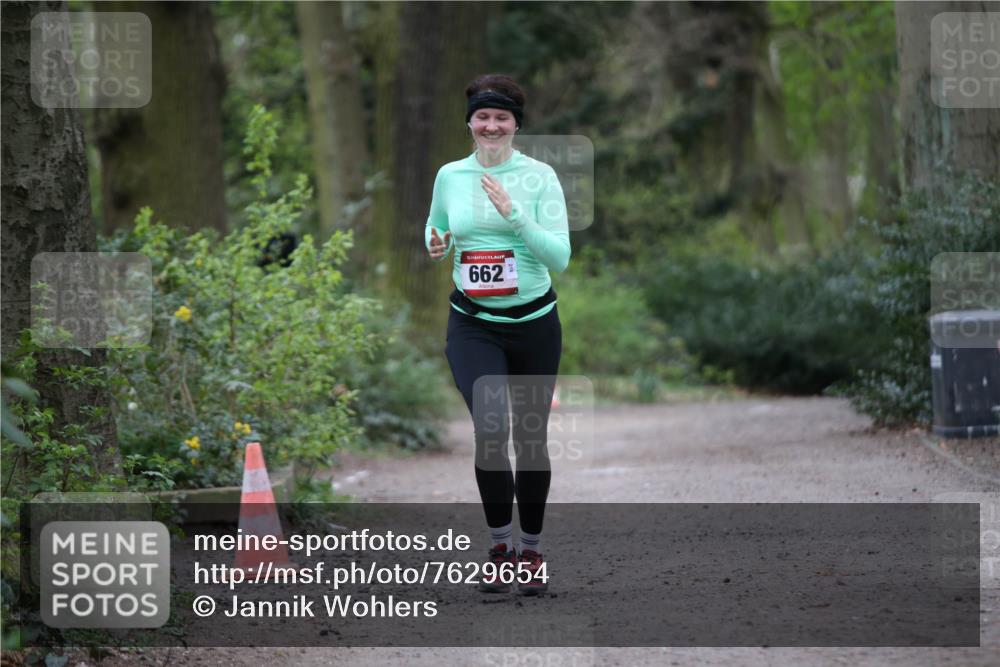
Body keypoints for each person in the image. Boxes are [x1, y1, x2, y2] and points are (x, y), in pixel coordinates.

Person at [425, 74, 571, 596]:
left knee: (530, 442)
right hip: (472, 325)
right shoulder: (449, 175)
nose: (491, 125)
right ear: (470, 122)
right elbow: (436, 225)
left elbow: (560, 257)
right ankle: (500, 547)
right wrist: (437, 242)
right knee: (491, 432)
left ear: (515, 125)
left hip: (534, 323)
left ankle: (531, 552)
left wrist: (515, 216)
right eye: (483, 117)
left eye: (501, 118)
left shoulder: (540, 178)